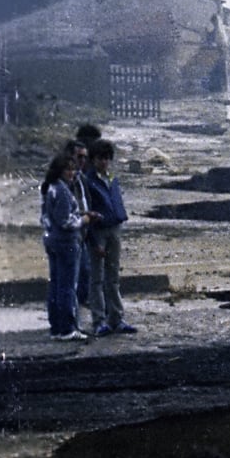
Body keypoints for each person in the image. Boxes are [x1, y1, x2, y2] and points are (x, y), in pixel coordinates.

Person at [80, 139, 134, 338]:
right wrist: (93, 241)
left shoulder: (112, 177)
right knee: (97, 279)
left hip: (114, 228)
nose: (104, 162)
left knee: (113, 278)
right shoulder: (88, 180)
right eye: (101, 159)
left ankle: (117, 319)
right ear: (93, 160)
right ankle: (99, 321)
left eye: (107, 159)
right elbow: (87, 211)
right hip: (98, 231)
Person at [39, 147, 89, 343]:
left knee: (56, 285)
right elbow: (65, 221)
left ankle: (56, 327)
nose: (72, 173)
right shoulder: (62, 191)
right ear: (59, 170)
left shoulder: (49, 188)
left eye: (73, 169)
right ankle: (68, 328)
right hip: (66, 242)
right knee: (68, 286)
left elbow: (45, 218)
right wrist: (83, 220)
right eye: (68, 169)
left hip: (51, 241)